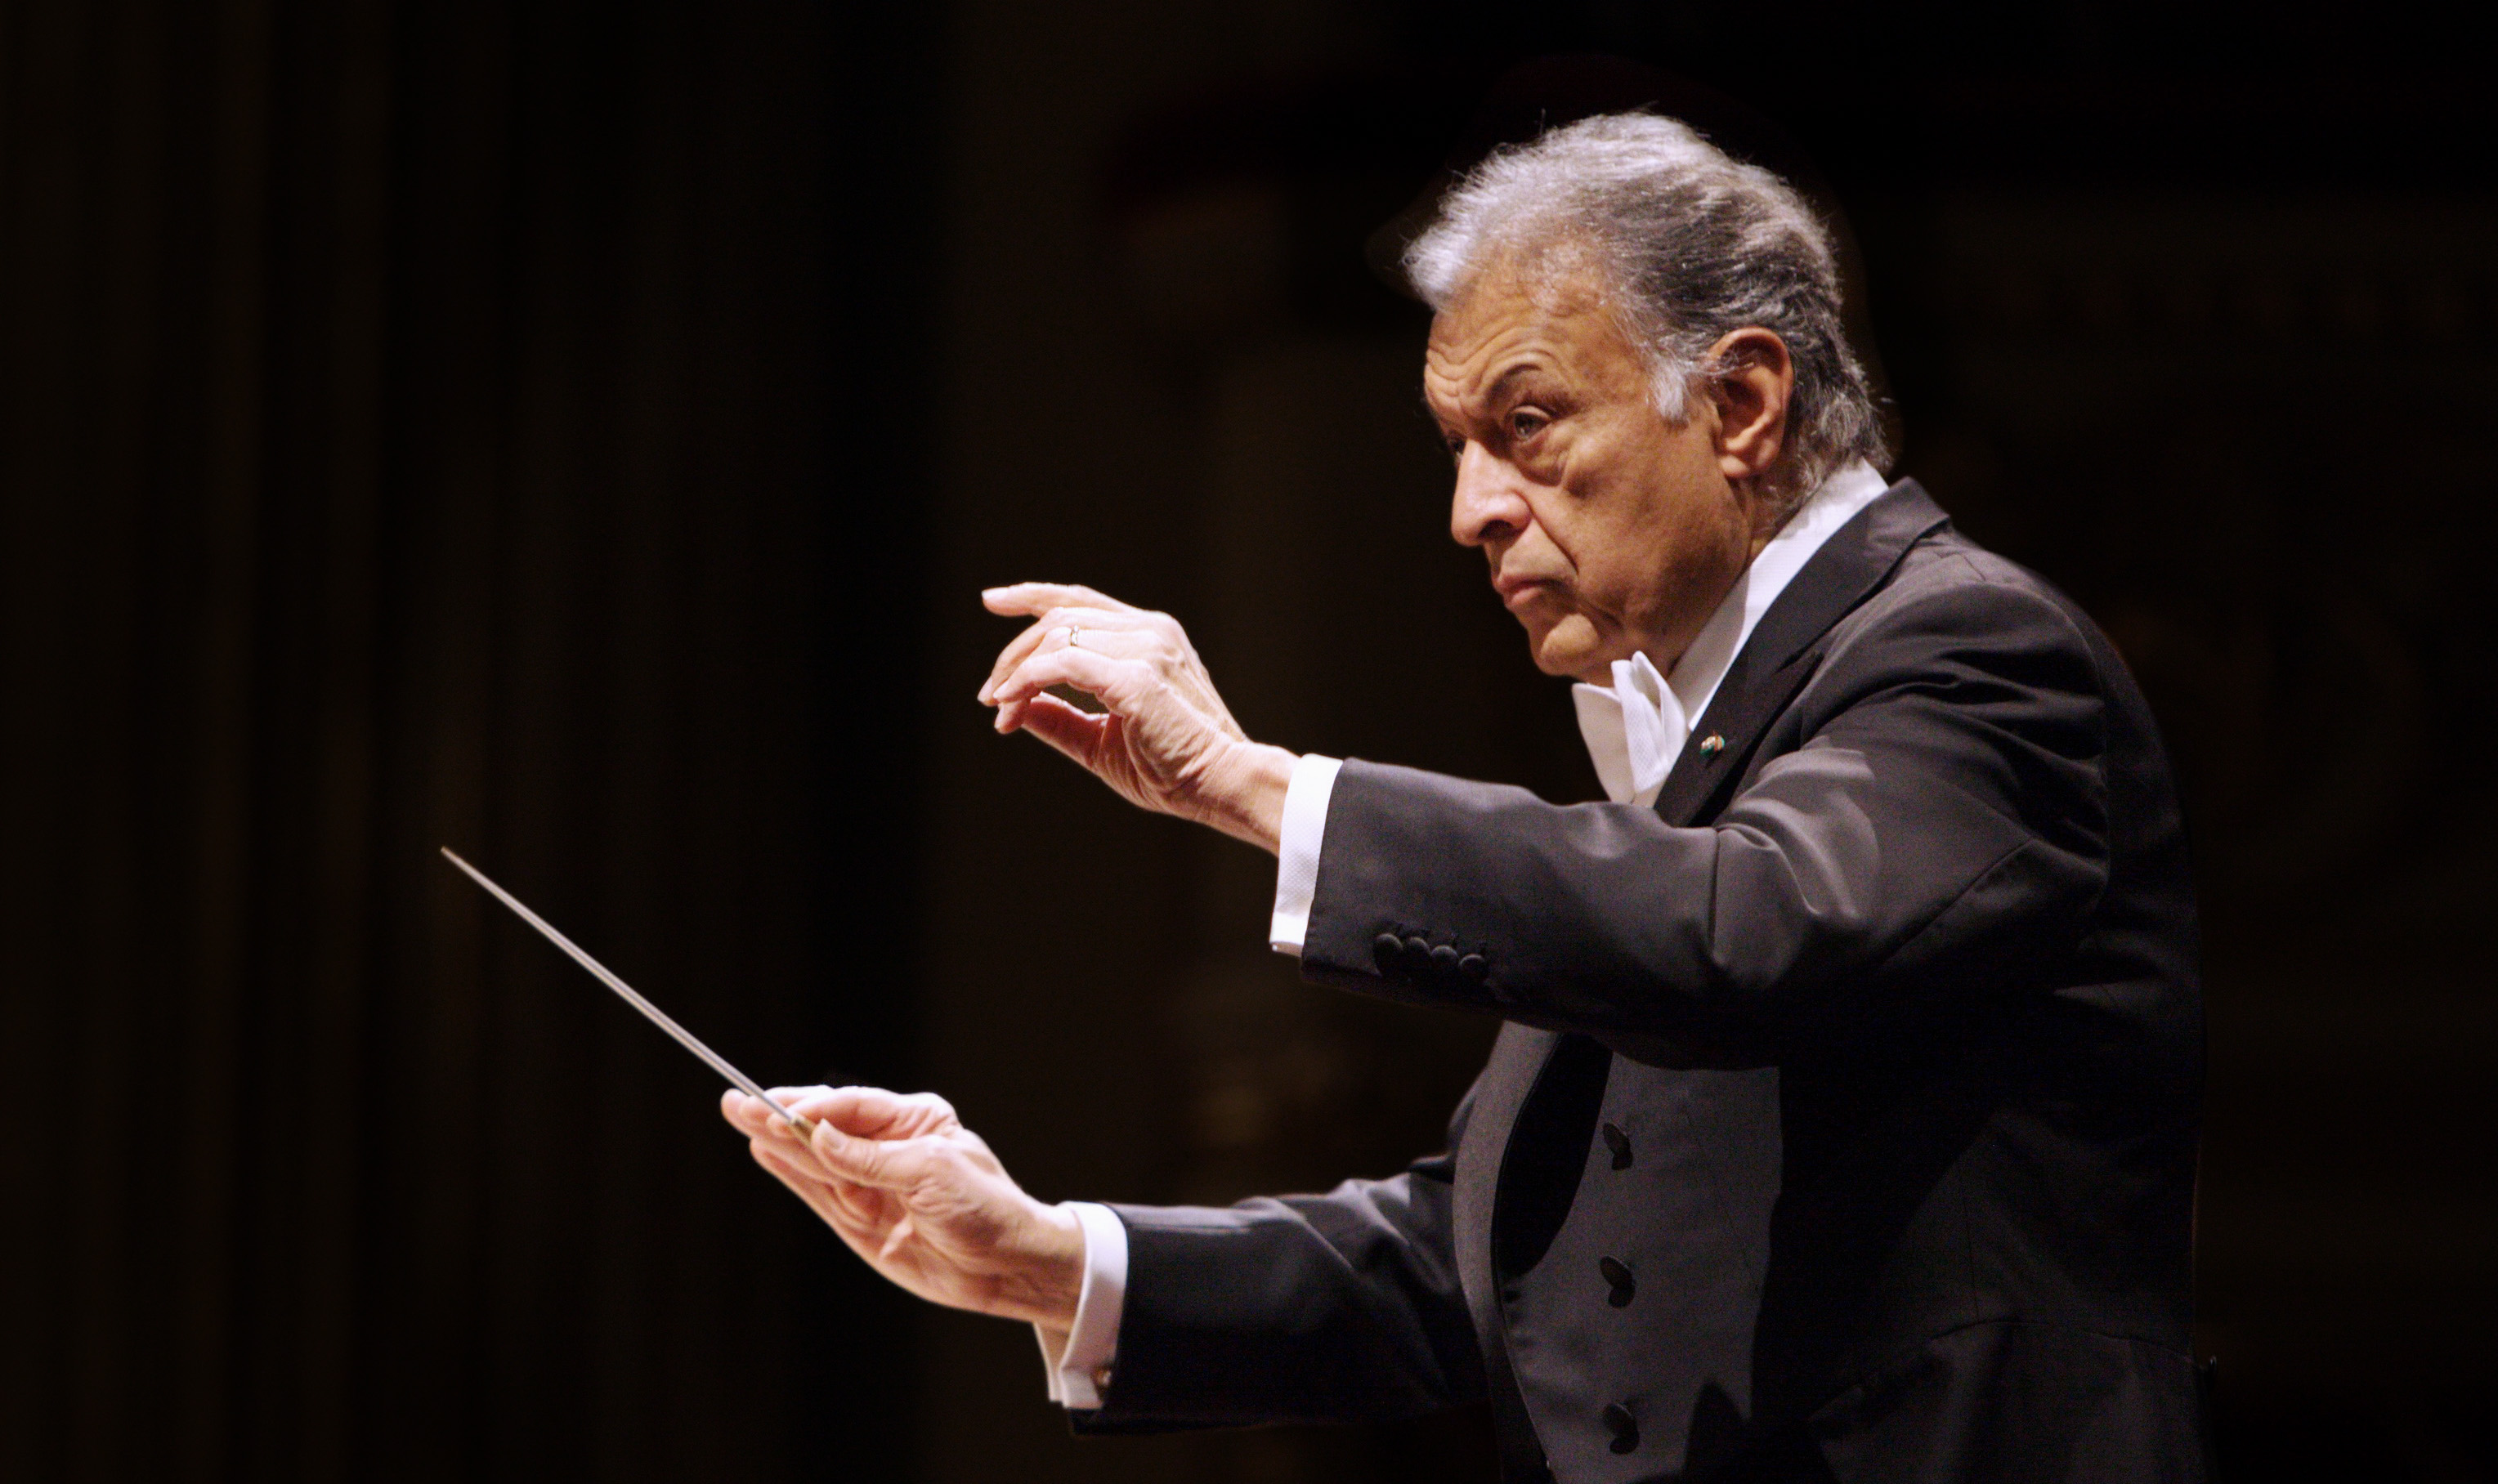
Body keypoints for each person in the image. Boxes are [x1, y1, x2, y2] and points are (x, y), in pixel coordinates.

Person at [723, 112, 2208, 1482]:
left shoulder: (1972, 653)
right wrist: (1048, 1261)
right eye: (1458, 449)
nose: (1470, 510)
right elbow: (1492, 1255)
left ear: (1743, 403)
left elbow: (1744, 925)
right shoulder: (1691, 739)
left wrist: (1252, 785)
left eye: (1529, 424)